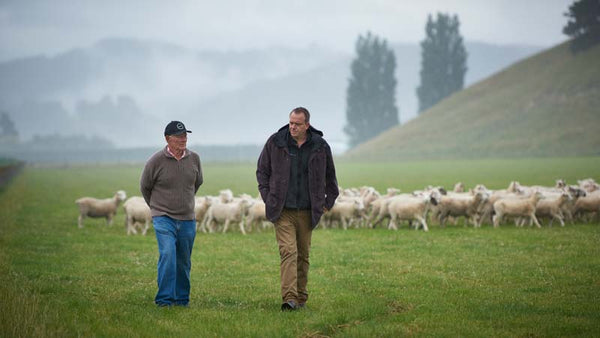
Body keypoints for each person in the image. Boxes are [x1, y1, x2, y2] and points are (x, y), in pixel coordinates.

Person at [256, 107, 339, 311]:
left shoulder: (320, 146)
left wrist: (327, 203)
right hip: (282, 210)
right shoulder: (276, 142)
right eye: (291, 122)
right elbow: (262, 171)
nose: (293, 127)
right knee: (288, 252)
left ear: (307, 125)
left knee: (303, 255)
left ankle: (301, 298)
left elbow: (331, 177)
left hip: (308, 211)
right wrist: (269, 199)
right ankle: (290, 298)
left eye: (297, 124)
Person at [141, 120, 203, 307]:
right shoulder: (155, 161)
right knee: (168, 255)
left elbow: (197, 183)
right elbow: (145, 187)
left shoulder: (194, 159)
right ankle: (164, 300)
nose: (183, 139)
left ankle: (182, 299)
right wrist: (157, 209)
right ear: (168, 139)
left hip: (187, 219)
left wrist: (185, 202)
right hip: (163, 217)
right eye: (178, 136)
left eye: (185, 135)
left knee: (183, 261)